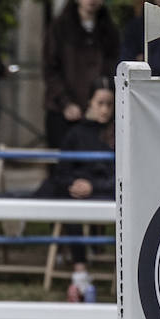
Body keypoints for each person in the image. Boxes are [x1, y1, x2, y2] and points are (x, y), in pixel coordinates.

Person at [31, 82, 115, 301]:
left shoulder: (120, 131)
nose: (105, 109)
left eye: (109, 104)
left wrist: (92, 186)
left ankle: (82, 275)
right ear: (90, 104)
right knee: (68, 203)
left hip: (107, 193)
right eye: (100, 103)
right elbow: (62, 170)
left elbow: (122, 176)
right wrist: (75, 184)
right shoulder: (76, 133)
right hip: (77, 193)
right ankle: (80, 272)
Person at [42, 0, 119, 148]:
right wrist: (66, 103)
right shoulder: (59, 28)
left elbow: (112, 67)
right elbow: (50, 69)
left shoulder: (109, 31)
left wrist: (101, 104)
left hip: (97, 114)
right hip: (63, 113)